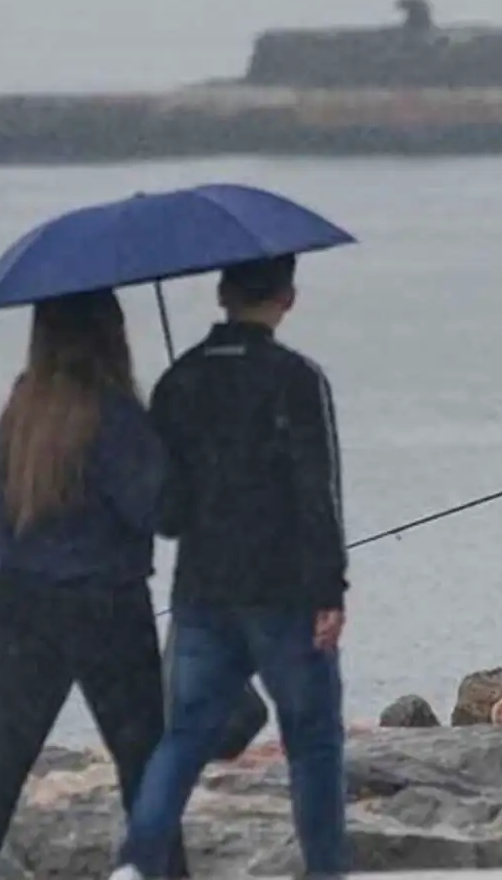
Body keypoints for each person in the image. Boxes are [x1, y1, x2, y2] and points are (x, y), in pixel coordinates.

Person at [111, 254, 348, 879]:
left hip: (202, 590)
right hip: (289, 592)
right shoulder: (297, 378)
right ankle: (325, 869)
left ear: (221, 294)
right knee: (314, 743)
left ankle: (135, 864)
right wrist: (332, 590)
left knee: (182, 740)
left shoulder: (178, 381)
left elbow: (166, 512)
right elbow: (316, 492)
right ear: (287, 298)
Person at [0, 289, 189, 880]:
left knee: (7, 749)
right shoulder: (114, 415)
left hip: (16, 595)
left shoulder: (23, 406)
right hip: (104, 603)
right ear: (111, 332)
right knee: (142, 757)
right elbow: (162, 515)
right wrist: (180, 458)